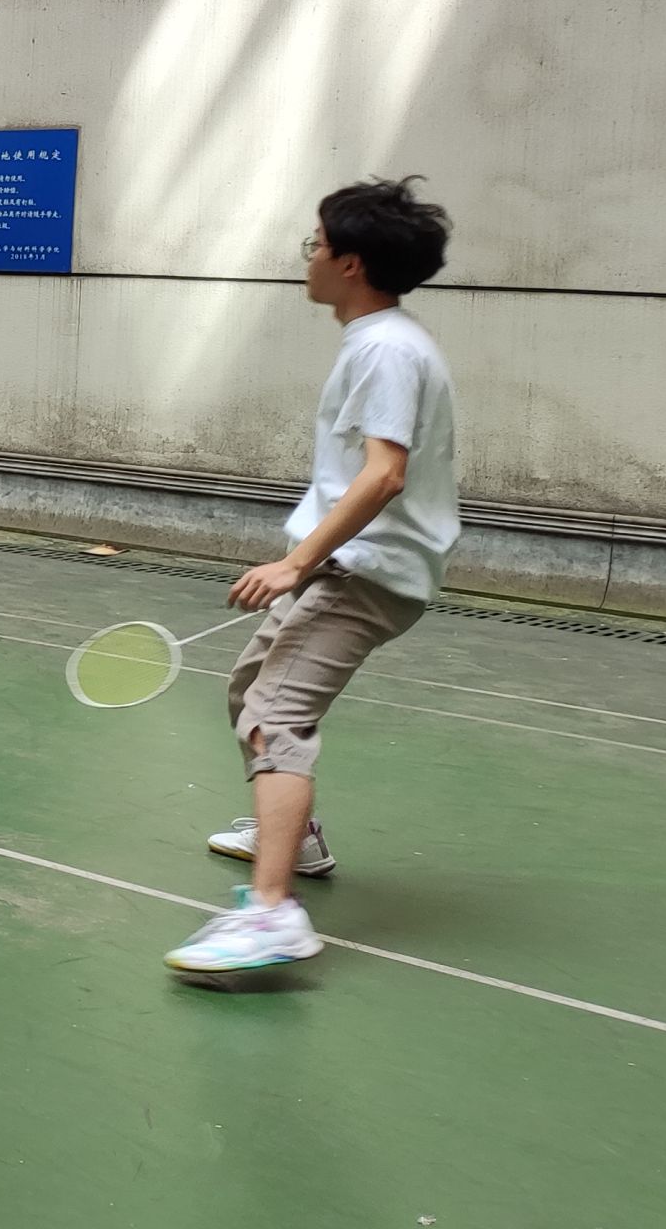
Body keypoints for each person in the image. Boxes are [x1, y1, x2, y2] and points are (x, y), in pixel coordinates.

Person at [165, 177, 458, 976]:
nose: (310, 258)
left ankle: (272, 915)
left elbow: (385, 474)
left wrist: (295, 562)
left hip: (364, 574)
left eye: (318, 245)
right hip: (343, 561)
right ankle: (296, 840)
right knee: (249, 688)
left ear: (351, 263)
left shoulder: (387, 350)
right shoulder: (379, 339)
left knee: (275, 716)